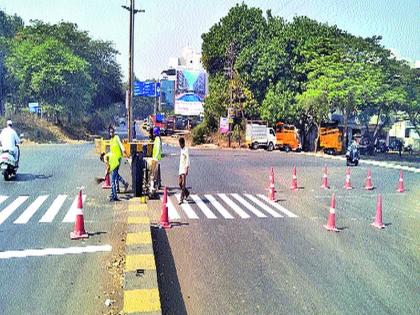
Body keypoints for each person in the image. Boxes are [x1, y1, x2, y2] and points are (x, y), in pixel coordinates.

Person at [108, 126, 129, 194]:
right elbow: (111, 150)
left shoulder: (116, 137)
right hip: (113, 159)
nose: (111, 133)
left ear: (114, 132)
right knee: (115, 173)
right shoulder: (111, 140)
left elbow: (120, 144)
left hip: (118, 158)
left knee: (115, 172)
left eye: (112, 132)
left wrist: (124, 150)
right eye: (110, 132)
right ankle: (124, 183)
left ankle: (117, 188)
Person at [178, 137, 190, 204]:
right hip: (180, 168)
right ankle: (187, 193)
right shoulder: (181, 149)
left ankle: (181, 198)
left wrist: (187, 169)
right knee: (179, 183)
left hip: (184, 168)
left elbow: (187, 159)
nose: (180, 145)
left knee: (183, 184)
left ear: (183, 143)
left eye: (180, 144)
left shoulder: (186, 150)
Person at [150, 127, 162, 191]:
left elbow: (157, 149)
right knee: (157, 172)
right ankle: (158, 184)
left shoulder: (157, 139)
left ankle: (154, 185)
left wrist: (155, 158)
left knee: (154, 173)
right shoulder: (158, 139)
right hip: (157, 158)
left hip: (156, 158)